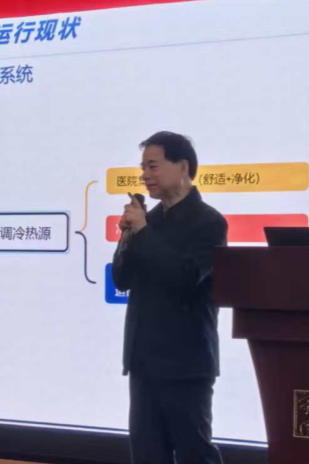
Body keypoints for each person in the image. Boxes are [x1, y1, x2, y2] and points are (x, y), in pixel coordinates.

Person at [112, 131, 228, 464]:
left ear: (183, 167)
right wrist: (127, 237)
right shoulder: (149, 220)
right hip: (143, 361)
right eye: (142, 168)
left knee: (195, 454)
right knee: (147, 455)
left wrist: (143, 232)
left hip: (185, 364)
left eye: (153, 166)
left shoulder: (209, 222)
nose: (144, 175)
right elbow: (122, 278)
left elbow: (185, 278)